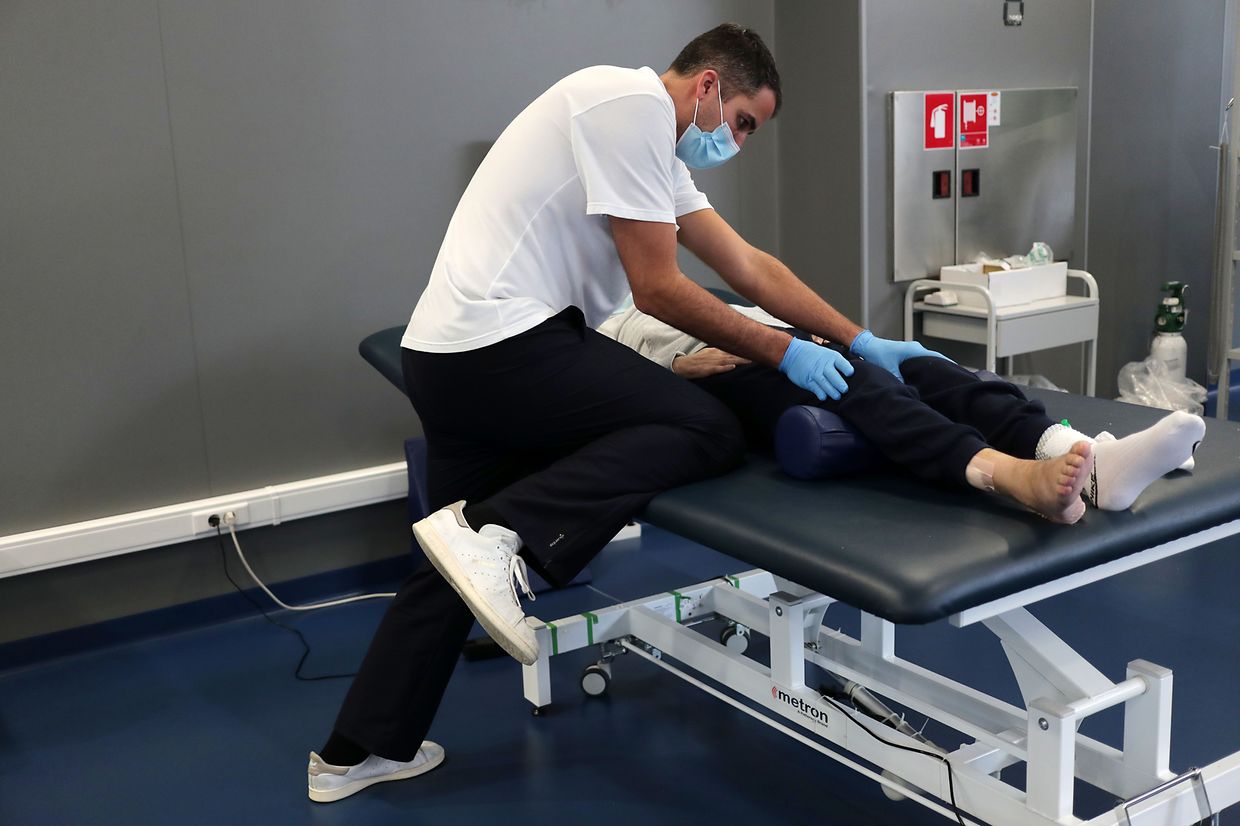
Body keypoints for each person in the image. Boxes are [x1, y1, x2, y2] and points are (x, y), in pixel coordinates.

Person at [308, 23, 1088, 802]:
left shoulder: (652, 147)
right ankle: (503, 536)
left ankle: (353, 753)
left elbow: (748, 266)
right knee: (702, 427)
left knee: (452, 553)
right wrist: (784, 354)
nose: (740, 141)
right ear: (708, 85)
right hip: (504, 348)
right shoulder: (627, 106)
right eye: (744, 121)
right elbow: (658, 289)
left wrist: (857, 337)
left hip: (448, 357)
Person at [599, 302, 1206, 512]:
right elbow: (607, 386)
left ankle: (1082, 454)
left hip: (772, 333)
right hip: (720, 366)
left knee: (925, 367)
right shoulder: (591, 316)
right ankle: (1010, 475)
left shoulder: (652, 253)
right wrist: (673, 368)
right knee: (858, 386)